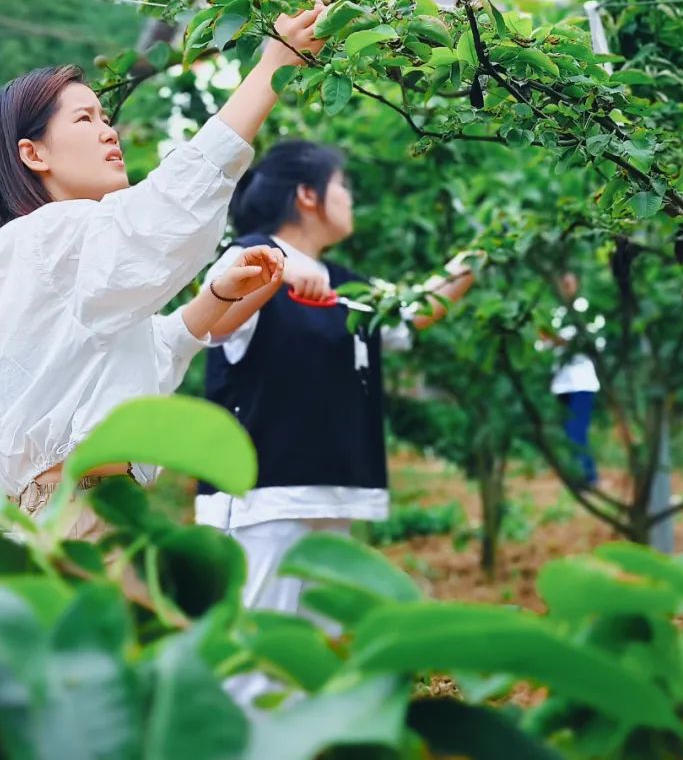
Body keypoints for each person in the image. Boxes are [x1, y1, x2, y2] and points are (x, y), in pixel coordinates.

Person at [0, 4, 328, 535]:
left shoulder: (72, 252)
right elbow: (164, 212)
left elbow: (147, 355)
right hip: (72, 509)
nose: (108, 132)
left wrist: (217, 296)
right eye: (84, 119)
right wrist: (271, 66)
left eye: (105, 116)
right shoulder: (38, 239)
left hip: (97, 507)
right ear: (33, 153)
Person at [194, 140, 475, 704]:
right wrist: (276, 262)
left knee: (310, 662)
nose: (350, 197)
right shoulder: (245, 262)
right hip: (260, 501)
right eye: (343, 185)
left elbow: (414, 310)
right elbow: (210, 310)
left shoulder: (346, 285)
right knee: (251, 662)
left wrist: (481, 256)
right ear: (307, 194)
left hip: (329, 493)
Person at [541, 271, 604, 488]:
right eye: (563, 283)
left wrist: (558, 340)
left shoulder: (585, 310)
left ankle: (588, 477)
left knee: (577, 431)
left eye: (569, 283)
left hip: (582, 382)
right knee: (568, 432)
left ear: (576, 284)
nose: (566, 287)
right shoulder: (557, 314)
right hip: (562, 384)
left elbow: (594, 343)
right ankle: (577, 475)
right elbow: (543, 344)